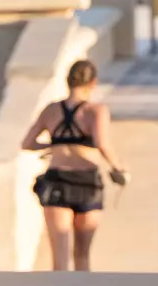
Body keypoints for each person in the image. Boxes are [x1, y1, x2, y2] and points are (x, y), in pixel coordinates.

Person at [21, 59, 128, 271]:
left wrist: (53, 146)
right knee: (82, 254)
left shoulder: (51, 110)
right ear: (93, 83)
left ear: (68, 81)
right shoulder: (96, 111)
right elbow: (102, 144)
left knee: (59, 257)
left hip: (56, 181)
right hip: (86, 182)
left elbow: (27, 143)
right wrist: (119, 168)